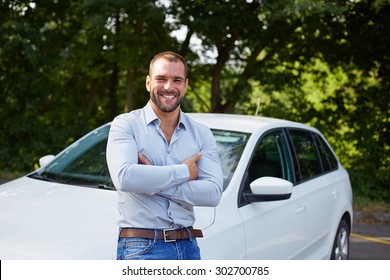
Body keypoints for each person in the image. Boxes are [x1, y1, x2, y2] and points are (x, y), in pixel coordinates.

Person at [106, 51, 223, 260]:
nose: (169, 87)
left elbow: (213, 193)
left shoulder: (201, 133)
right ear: (148, 83)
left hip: (189, 245)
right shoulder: (126, 124)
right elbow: (124, 178)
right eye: (161, 79)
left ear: (185, 85)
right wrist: (184, 172)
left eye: (176, 80)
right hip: (141, 246)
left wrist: (152, 180)